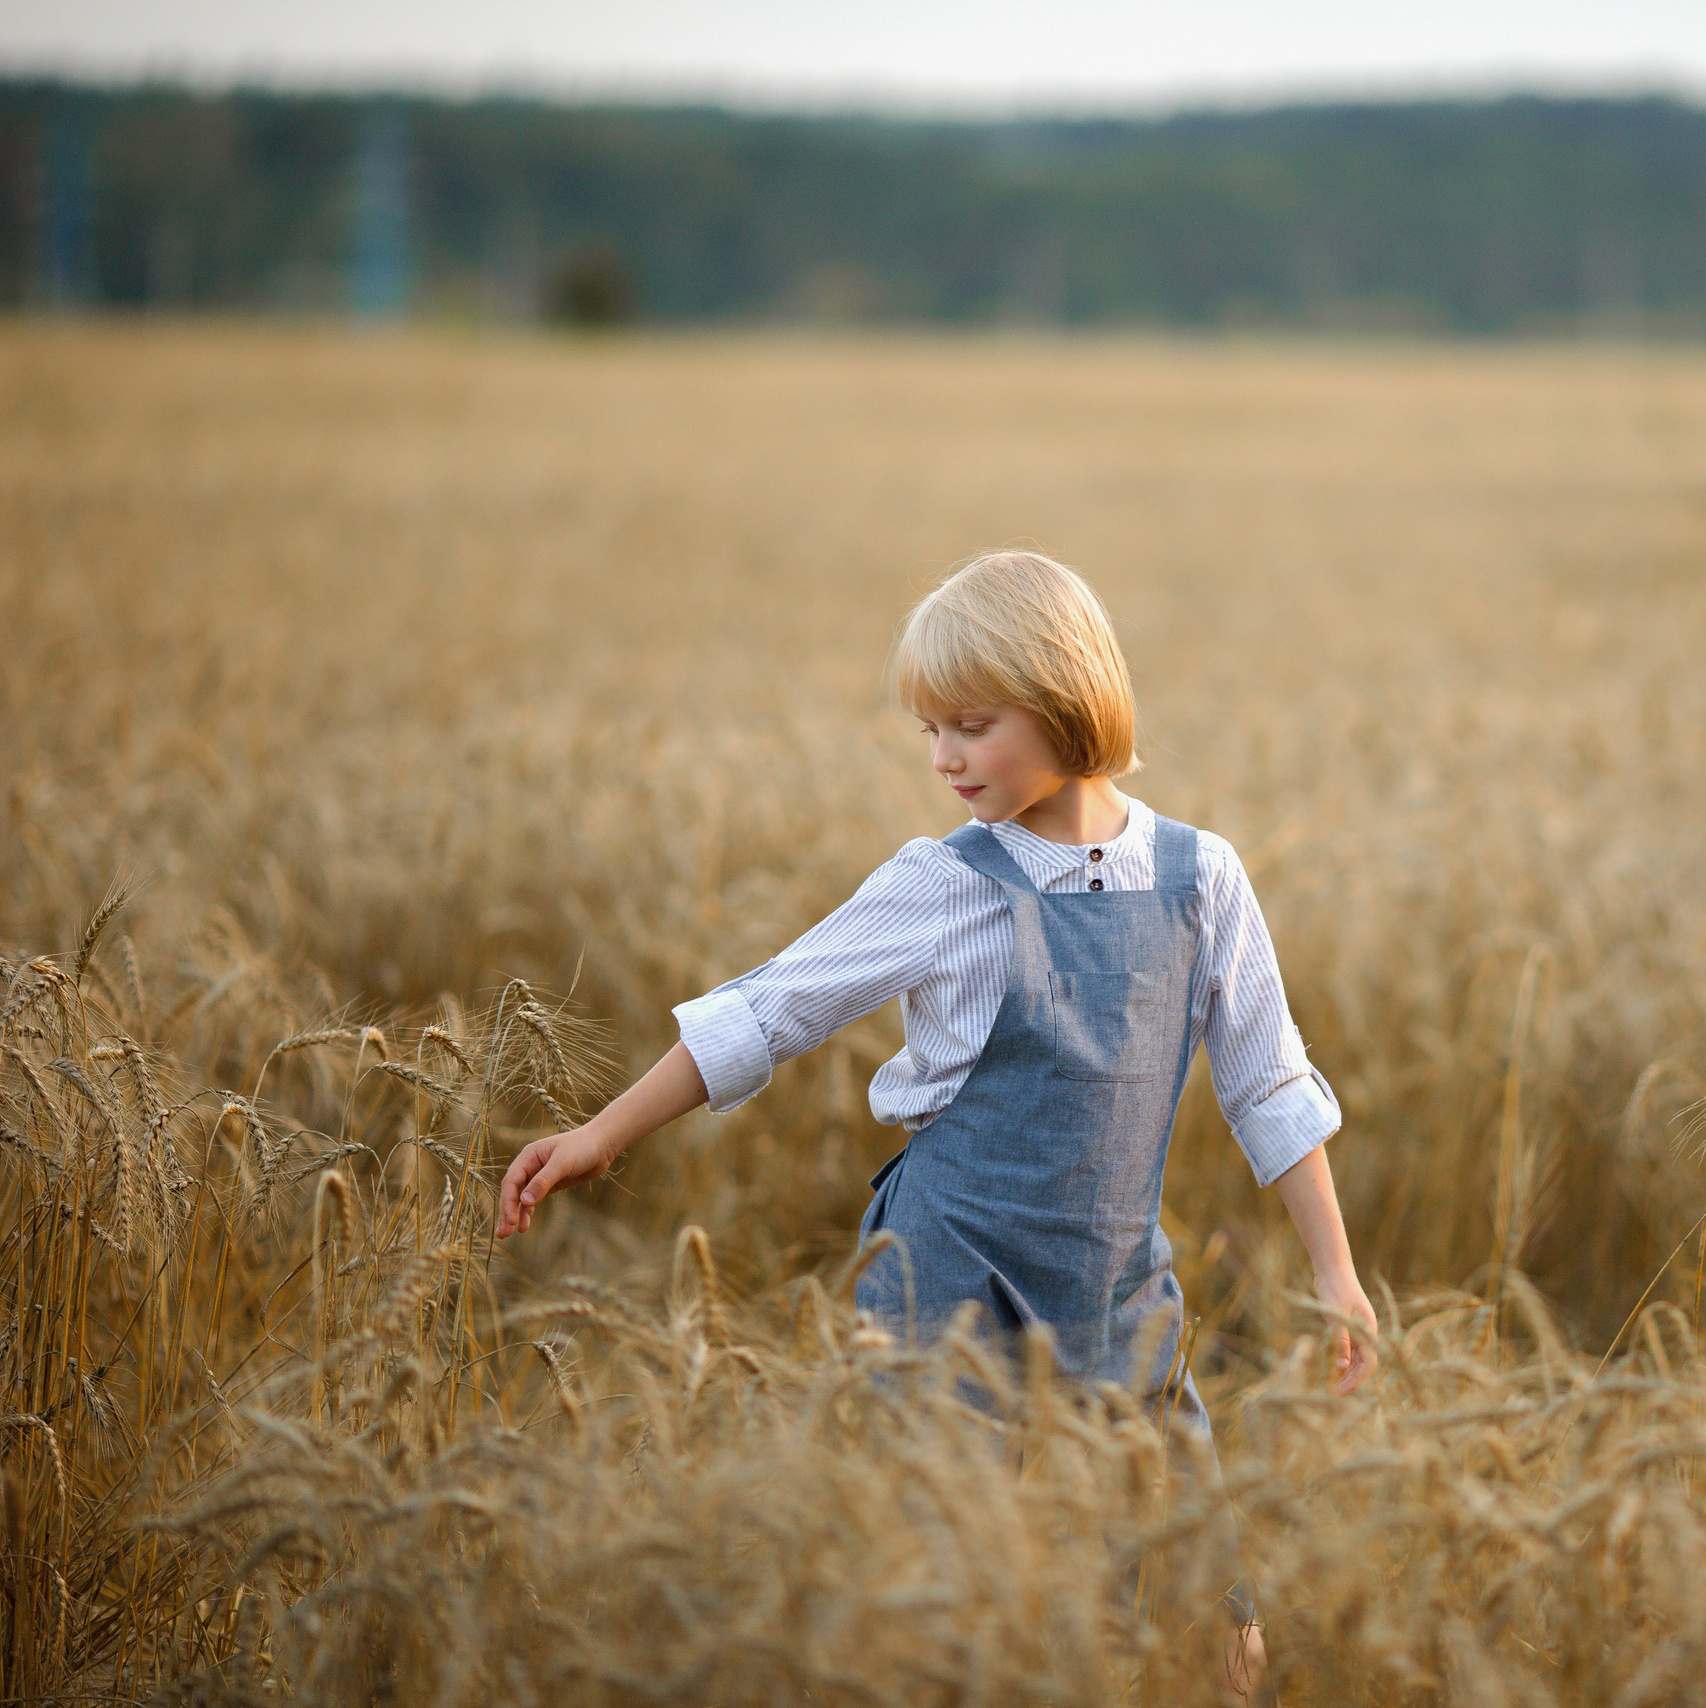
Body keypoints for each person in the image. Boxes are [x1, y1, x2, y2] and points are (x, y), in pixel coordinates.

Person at [495, 549, 1376, 1703]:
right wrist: (603, 1135)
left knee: (1212, 1617)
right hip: (945, 1279)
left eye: (970, 725)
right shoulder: (946, 882)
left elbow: (1269, 1083)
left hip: (1114, 1283)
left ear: (1065, 701)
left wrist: (1335, 1273)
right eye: (930, 731)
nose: (944, 758)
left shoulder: (1200, 879)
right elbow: (770, 1007)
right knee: (940, 1596)